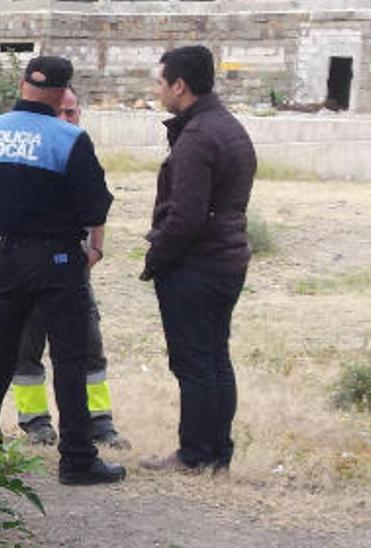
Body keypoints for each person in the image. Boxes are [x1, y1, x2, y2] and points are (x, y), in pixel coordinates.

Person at [0, 56, 124, 485]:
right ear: (63, 92)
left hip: (3, 257)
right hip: (56, 261)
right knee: (69, 357)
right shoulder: (69, 139)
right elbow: (93, 207)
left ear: (22, 84)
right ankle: (77, 459)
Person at [139, 46, 256, 473]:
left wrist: (156, 258)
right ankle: (216, 453)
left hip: (198, 265)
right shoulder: (228, 127)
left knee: (193, 362)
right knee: (214, 357)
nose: (157, 91)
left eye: (159, 82)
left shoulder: (198, 137)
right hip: (227, 260)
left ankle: (194, 454)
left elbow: (185, 217)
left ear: (179, 85)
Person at [10, 87, 130, 450]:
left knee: (89, 347)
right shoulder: (27, 154)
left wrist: (96, 249)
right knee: (26, 347)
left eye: (72, 112)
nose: (67, 119)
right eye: (60, 112)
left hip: (72, 268)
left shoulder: (80, 151)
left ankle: (99, 422)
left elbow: (97, 206)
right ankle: (35, 423)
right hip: (29, 266)